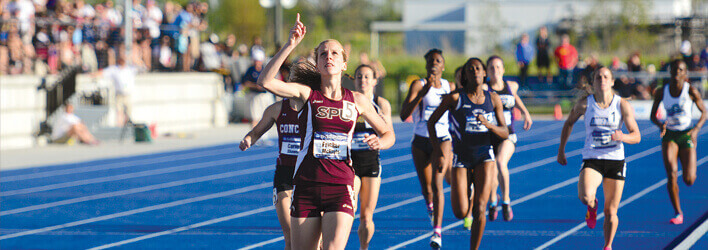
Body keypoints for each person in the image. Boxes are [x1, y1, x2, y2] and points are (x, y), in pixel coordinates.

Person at [257, 14, 395, 250]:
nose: (328, 56)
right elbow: (265, 81)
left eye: (334, 53)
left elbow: (389, 134)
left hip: (341, 185)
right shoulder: (306, 94)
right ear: (318, 63)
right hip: (306, 185)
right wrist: (290, 45)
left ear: (343, 64)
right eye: (323, 53)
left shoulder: (358, 101)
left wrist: (380, 142)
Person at [557, 67, 641, 250]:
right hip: (593, 158)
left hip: (615, 161)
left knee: (611, 211)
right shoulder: (584, 104)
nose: (602, 80)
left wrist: (623, 137)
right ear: (593, 82)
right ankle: (592, 206)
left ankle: (607, 245)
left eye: (605, 77)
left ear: (611, 82)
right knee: (585, 196)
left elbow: (636, 135)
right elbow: (568, 123)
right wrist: (561, 150)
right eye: (598, 77)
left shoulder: (621, 105)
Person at [429, 58, 508, 250]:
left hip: (484, 156)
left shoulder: (493, 98)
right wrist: (439, 151)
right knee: (460, 212)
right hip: (461, 158)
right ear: (465, 75)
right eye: (470, 69)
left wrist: (489, 125)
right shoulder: (455, 98)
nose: (474, 72)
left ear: (484, 74)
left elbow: (505, 132)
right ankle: (469, 189)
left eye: (478, 68)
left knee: (480, 208)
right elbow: (431, 123)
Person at [399, 48, 455, 248]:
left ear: (443, 65)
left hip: (442, 140)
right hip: (421, 141)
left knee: (438, 184)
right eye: (431, 60)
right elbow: (403, 113)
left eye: (438, 60)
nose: (434, 63)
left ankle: (437, 233)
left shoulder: (450, 86)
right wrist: (422, 94)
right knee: (427, 188)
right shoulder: (418, 84)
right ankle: (431, 208)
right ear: (426, 64)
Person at [239, 96, 303, 250]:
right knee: (290, 234)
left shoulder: (315, 108)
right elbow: (256, 132)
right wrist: (248, 139)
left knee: (317, 240)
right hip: (284, 174)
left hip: (309, 173)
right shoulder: (277, 109)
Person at [650, 59, 707, 225]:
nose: (677, 73)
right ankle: (678, 213)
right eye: (674, 70)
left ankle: (687, 165)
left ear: (685, 74)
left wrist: (696, 130)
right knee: (672, 173)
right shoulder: (662, 92)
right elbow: (653, 115)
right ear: (670, 72)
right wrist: (661, 124)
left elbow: (704, 113)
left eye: (680, 70)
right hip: (670, 136)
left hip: (686, 134)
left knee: (689, 180)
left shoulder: (691, 91)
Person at [484, 56, 533, 222]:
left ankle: (505, 201)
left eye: (498, 67)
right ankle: (492, 200)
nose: (495, 71)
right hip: (489, 136)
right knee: (491, 172)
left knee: (500, 162)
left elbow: (515, 97)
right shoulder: (484, 88)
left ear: (503, 70)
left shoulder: (511, 85)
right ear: (487, 71)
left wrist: (526, 113)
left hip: (508, 135)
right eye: (491, 68)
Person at [350, 64, 393, 250]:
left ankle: (363, 247)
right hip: (349, 162)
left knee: (367, 217)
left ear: (375, 81)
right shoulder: (347, 101)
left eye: (367, 77)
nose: (363, 80)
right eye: (359, 76)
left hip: (371, 163)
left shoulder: (381, 104)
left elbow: (389, 135)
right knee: (346, 212)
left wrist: (379, 138)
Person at [242, 49, 274, 128]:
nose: (257, 63)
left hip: (264, 96)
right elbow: (245, 83)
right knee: (255, 118)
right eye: (256, 61)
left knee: (266, 117)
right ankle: (254, 136)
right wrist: (255, 86)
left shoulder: (265, 69)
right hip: (254, 96)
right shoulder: (250, 70)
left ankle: (264, 137)